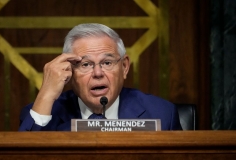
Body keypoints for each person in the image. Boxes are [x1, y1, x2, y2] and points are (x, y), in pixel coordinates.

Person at [19, 23, 182, 131]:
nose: (97, 73)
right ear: (69, 71)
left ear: (124, 67)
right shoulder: (43, 112)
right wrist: (46, 94)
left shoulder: (161, 114)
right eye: (86, 64)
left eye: (107, 63)